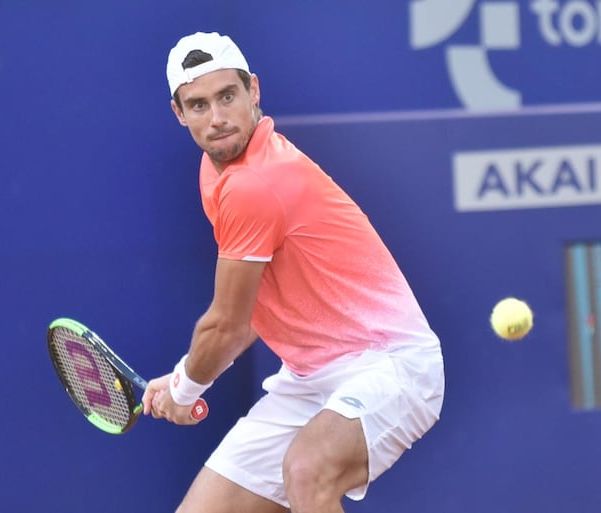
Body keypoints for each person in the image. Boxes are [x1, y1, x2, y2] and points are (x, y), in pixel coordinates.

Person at [142, 31, 445, 513]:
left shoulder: (254, 183)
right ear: (179, 114)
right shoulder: (214, 172)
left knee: (308, 470)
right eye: (198, 106)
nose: (217, 118)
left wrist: (184, 387)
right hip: (309, 378)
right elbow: (246, 322)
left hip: (391, 363)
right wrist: (185, 378)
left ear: (253, 91)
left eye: (227, 96)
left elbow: (228, 326)